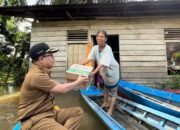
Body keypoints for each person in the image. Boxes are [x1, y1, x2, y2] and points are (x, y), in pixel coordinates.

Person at [17, 42, 89, 130]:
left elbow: (56, 89)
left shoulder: (43, 72)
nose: (54, 58)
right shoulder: (36, 75)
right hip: (36, 118)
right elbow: (62, 90)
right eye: (51, 55)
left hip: (48, 113)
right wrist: (78, 82)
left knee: (77, 112)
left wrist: (76, 81)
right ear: (41, 58)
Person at [81, 30, 119, 116]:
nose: (99, 38)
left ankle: (111, 109)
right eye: (98, 36)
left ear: (105, 39)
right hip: (104, 70)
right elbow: (88, 58)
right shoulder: (95, 48)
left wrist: (94, 72)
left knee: (113, 91)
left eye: (102, 36)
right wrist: (78, 65)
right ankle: (105, 103)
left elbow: (101, 63)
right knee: (106, 87)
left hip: (113, 71)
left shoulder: (108, 49)